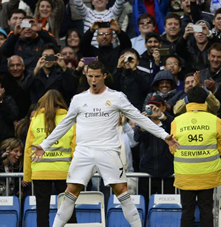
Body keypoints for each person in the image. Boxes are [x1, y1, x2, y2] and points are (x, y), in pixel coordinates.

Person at [31, 61, 179, 227]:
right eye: (90, 76)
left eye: (96, 76)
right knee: (70, 192)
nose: (93, 80)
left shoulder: (116, 97)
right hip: (84, 152)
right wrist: (44, 145)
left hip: (108, 151)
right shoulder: (79, 99)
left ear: (104, 76)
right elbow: (65, 124)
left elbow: (139, 117)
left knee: (122, 191)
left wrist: (164, 135)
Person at [170, 86, 221, 227]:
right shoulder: (216, 120)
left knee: (187, 210)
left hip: (185, 173)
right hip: (208, 173)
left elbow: (172, 148)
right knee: (206, 210)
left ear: (187, 100)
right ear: (205, 99)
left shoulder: (176, 121)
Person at [24, 90, 77, 227]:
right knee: (68, 210)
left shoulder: (35, 119)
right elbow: (75, 148)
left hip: (40, 170)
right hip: (64, 171)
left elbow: (28, 148)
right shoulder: (69, 119)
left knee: (42, 211)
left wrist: (28, 175)